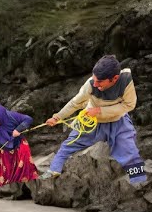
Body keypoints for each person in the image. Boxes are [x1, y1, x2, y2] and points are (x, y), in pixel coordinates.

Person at [40, 54, 146, 185]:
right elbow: (75, 103)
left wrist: (100, 111)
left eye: (99, 82)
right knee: (68, 145)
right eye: (94, 79)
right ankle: (53, 171)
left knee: (130, 151)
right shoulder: (90, 85)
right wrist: (57, 117)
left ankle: (139, 182)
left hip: (119, 122)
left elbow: (129, 105)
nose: (95, 84)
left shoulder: (126, 82)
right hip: (92, 123)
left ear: (115, 78)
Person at [0, 105, 40, 186]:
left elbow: (28, 119)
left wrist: (18, 129)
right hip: (5, 148)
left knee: (24, 158)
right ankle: (11, 185)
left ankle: (26, 181)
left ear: (1, 117)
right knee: (7, 169)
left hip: (18, 141)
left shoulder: (12, 116)